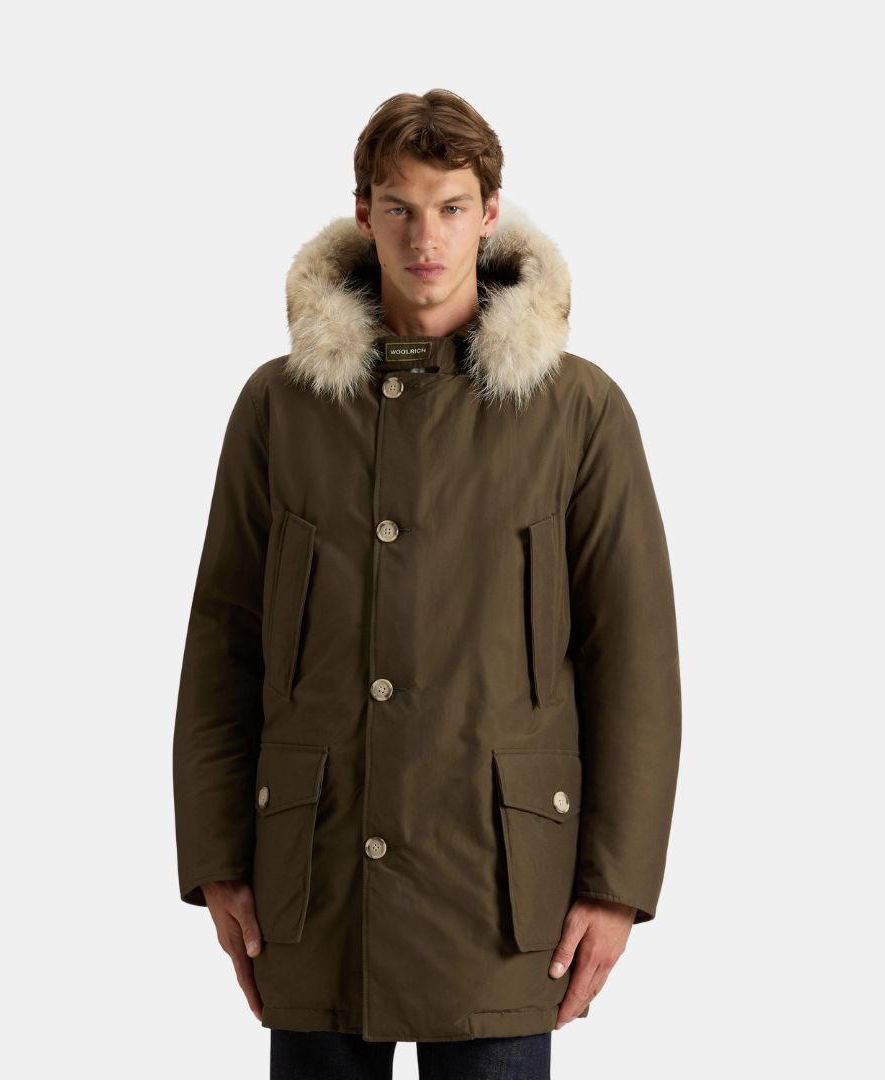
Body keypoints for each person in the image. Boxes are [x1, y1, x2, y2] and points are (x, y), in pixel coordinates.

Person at [172, 88, 682, 1080]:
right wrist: (219, 860)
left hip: (501, 890)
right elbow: (223, 642)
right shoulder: (280, 407)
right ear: (363, 214)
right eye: (399, 207)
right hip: (315, 883)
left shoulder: (577, 412)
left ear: (490, 213)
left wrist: (616, 887)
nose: (426, 237)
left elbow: (633, 661)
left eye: (450, 207)